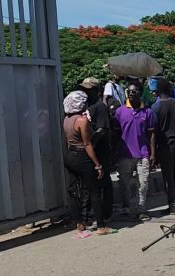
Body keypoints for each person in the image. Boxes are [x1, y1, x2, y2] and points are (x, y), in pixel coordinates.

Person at [62, 91, 115, 235]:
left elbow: (69, 141)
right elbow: (87, 144)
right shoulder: (82, 120)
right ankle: (101, 226)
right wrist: (97, 165)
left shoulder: (67, 119)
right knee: (94, 191)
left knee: (74, 190)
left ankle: (79, 222)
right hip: (82, 157)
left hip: (70, 156)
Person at [114, 81, 156, 222]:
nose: (131, 94)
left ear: (140, 93)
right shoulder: (120, 112)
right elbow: (116, 132)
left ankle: (141, 209)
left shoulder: (148, 112)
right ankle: (126, 207)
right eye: (129, 91)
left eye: (134, 91)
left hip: (143, 153)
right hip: (124, 154)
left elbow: (151, 134)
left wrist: (152, 153)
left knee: (143, 183)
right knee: (124, 183)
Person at [79, 77, 114, 222]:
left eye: (88, 90)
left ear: (96, 91)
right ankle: (91, 212)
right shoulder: (87, 107)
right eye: (83, 90)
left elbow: (101, 130)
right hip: (91, 151)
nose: (85, 92)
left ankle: (105, 213)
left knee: (103, 182)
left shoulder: (100, 107)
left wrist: (90, 144)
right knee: (91, 183)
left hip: (101, 151)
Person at [152, 78, 175, 214]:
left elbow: (154, 131)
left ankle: (171, 205)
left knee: (168, 177)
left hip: (165, 145)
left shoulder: (156, 107)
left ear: (158, 90)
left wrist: (153, 152)